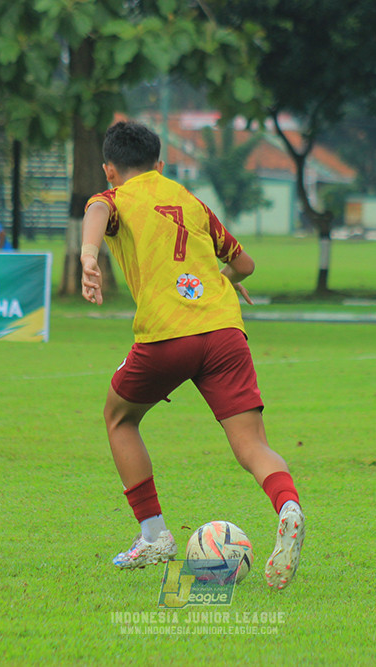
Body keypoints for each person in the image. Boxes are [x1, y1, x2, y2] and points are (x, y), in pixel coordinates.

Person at [80, 121, 306, 590]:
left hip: (167, 334)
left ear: (110, 170)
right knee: (251, 445)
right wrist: (220, 280)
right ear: (160, 165)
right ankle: (287, 505)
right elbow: (245, 265)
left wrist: (87, 256)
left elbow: (98, 211)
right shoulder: (192, 201)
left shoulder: (115, 196)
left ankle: (154, 535)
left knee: (119, 418)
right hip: (224, 331)